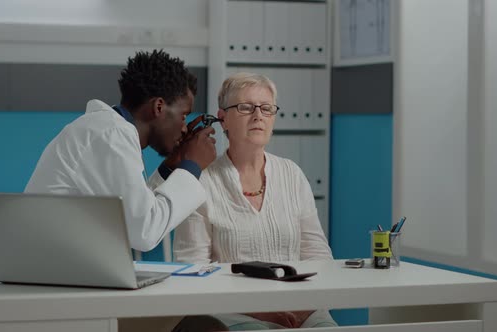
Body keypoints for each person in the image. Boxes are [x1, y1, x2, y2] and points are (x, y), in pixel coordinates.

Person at [25, 50, 226, 332]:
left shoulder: (105, 130)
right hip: (60, 298)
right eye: (183, 115)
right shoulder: (111, 135)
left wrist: (172, 167)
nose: (184, 127)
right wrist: (192, 166)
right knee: (205, 328)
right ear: (158, 107)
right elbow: (144, 232)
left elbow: (135, 209)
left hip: (69, 283)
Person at [173, 72, 337, 330]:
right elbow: (192, 270)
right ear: (223, 118)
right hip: (233, 313)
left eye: (266, 108)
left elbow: (317, 254)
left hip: (303, 309)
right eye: (246, 107)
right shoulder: (202, 181)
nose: (258, 115)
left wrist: (305, 304)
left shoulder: (292, 174)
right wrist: (258, 310)